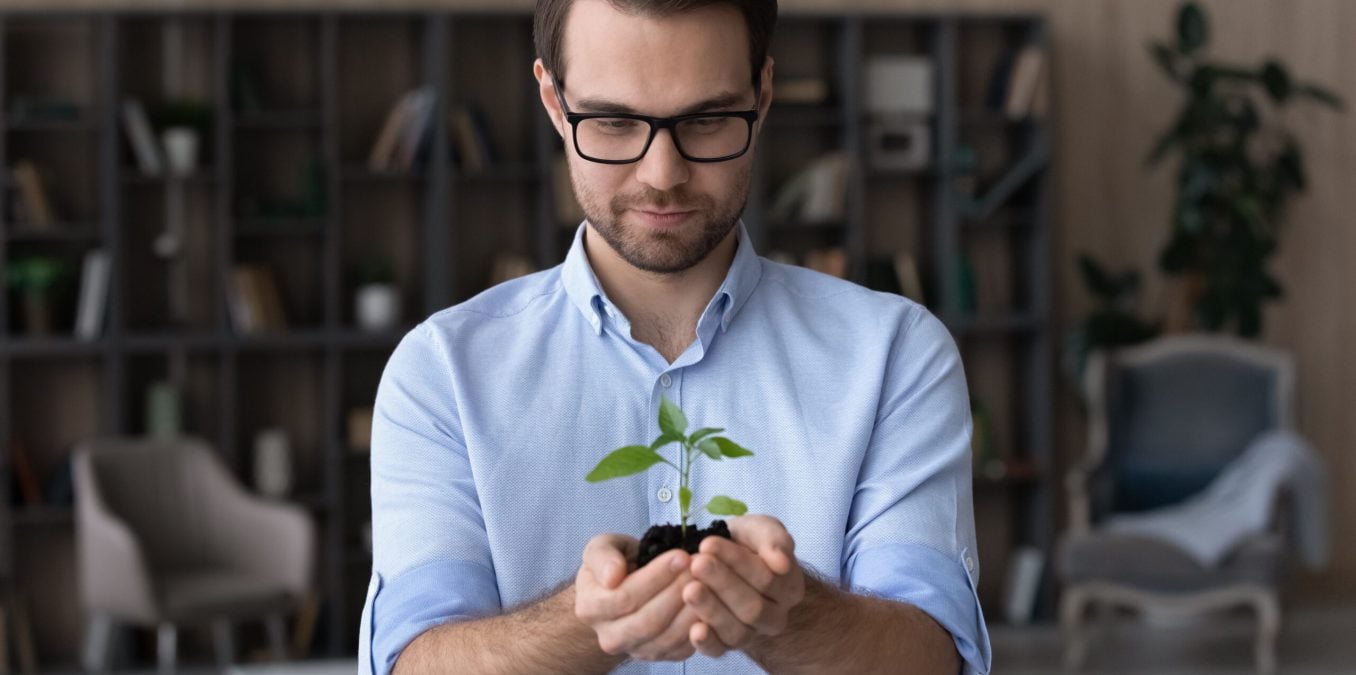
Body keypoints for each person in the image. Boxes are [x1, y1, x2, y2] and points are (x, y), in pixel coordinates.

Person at [358, 0, 991, 673]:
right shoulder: (440, 373)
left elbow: (934, 655)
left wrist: (787, 612)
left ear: (764, 94)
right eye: (613, 121)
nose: (662, 174)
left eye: (709, 119)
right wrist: (588, 616)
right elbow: (413, 659)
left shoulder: (896, 355)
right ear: (552, 101)